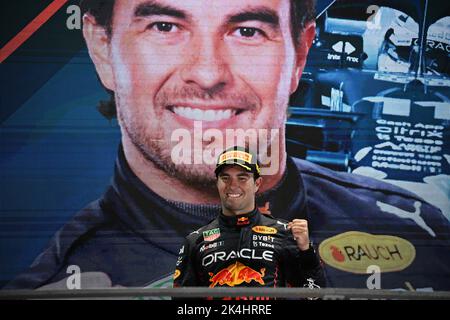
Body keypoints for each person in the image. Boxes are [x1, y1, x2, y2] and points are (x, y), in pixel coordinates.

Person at [4, 0, 450, 291]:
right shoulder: (52, 283)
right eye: (164, 25)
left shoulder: (424, 235)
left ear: (301, 53)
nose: (208, 72)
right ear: (102, 49)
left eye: (248, 31)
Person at [173, 146, 325, 296]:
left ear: (257, 184)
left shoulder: (285, 233)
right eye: (225, 178)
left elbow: (314, 294)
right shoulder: (195, 241)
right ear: (217, 183)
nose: (233, 185)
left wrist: (306, 251)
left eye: (242, 178)